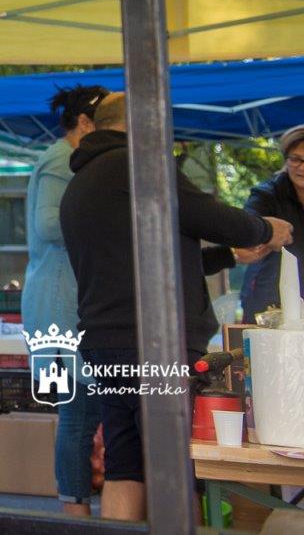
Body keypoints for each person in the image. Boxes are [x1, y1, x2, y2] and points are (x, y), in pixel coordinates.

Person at [60, 92, 291, 521]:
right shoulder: (139, 167)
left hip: (106, 345)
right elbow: (211, 215)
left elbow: (138, 263)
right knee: (175, 467)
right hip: (155, 346)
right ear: (142, 122)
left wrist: (225, 256)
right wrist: (264, 228)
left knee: (124, 466)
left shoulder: (82, 183)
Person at [21, 84, 107, 517]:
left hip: (69, 300)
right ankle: (75, 514)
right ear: (88, 123)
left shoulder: (69, 157)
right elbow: (51, 226)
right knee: (79, 415)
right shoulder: (61, 158)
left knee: (82, 414)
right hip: (61, 304)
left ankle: (77, 510)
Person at [239, 125, 304, 320]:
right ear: (286, 159)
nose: (301, 167)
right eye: (295, 159)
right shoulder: (266, 195)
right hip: (270, 303)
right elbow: (244, 231)